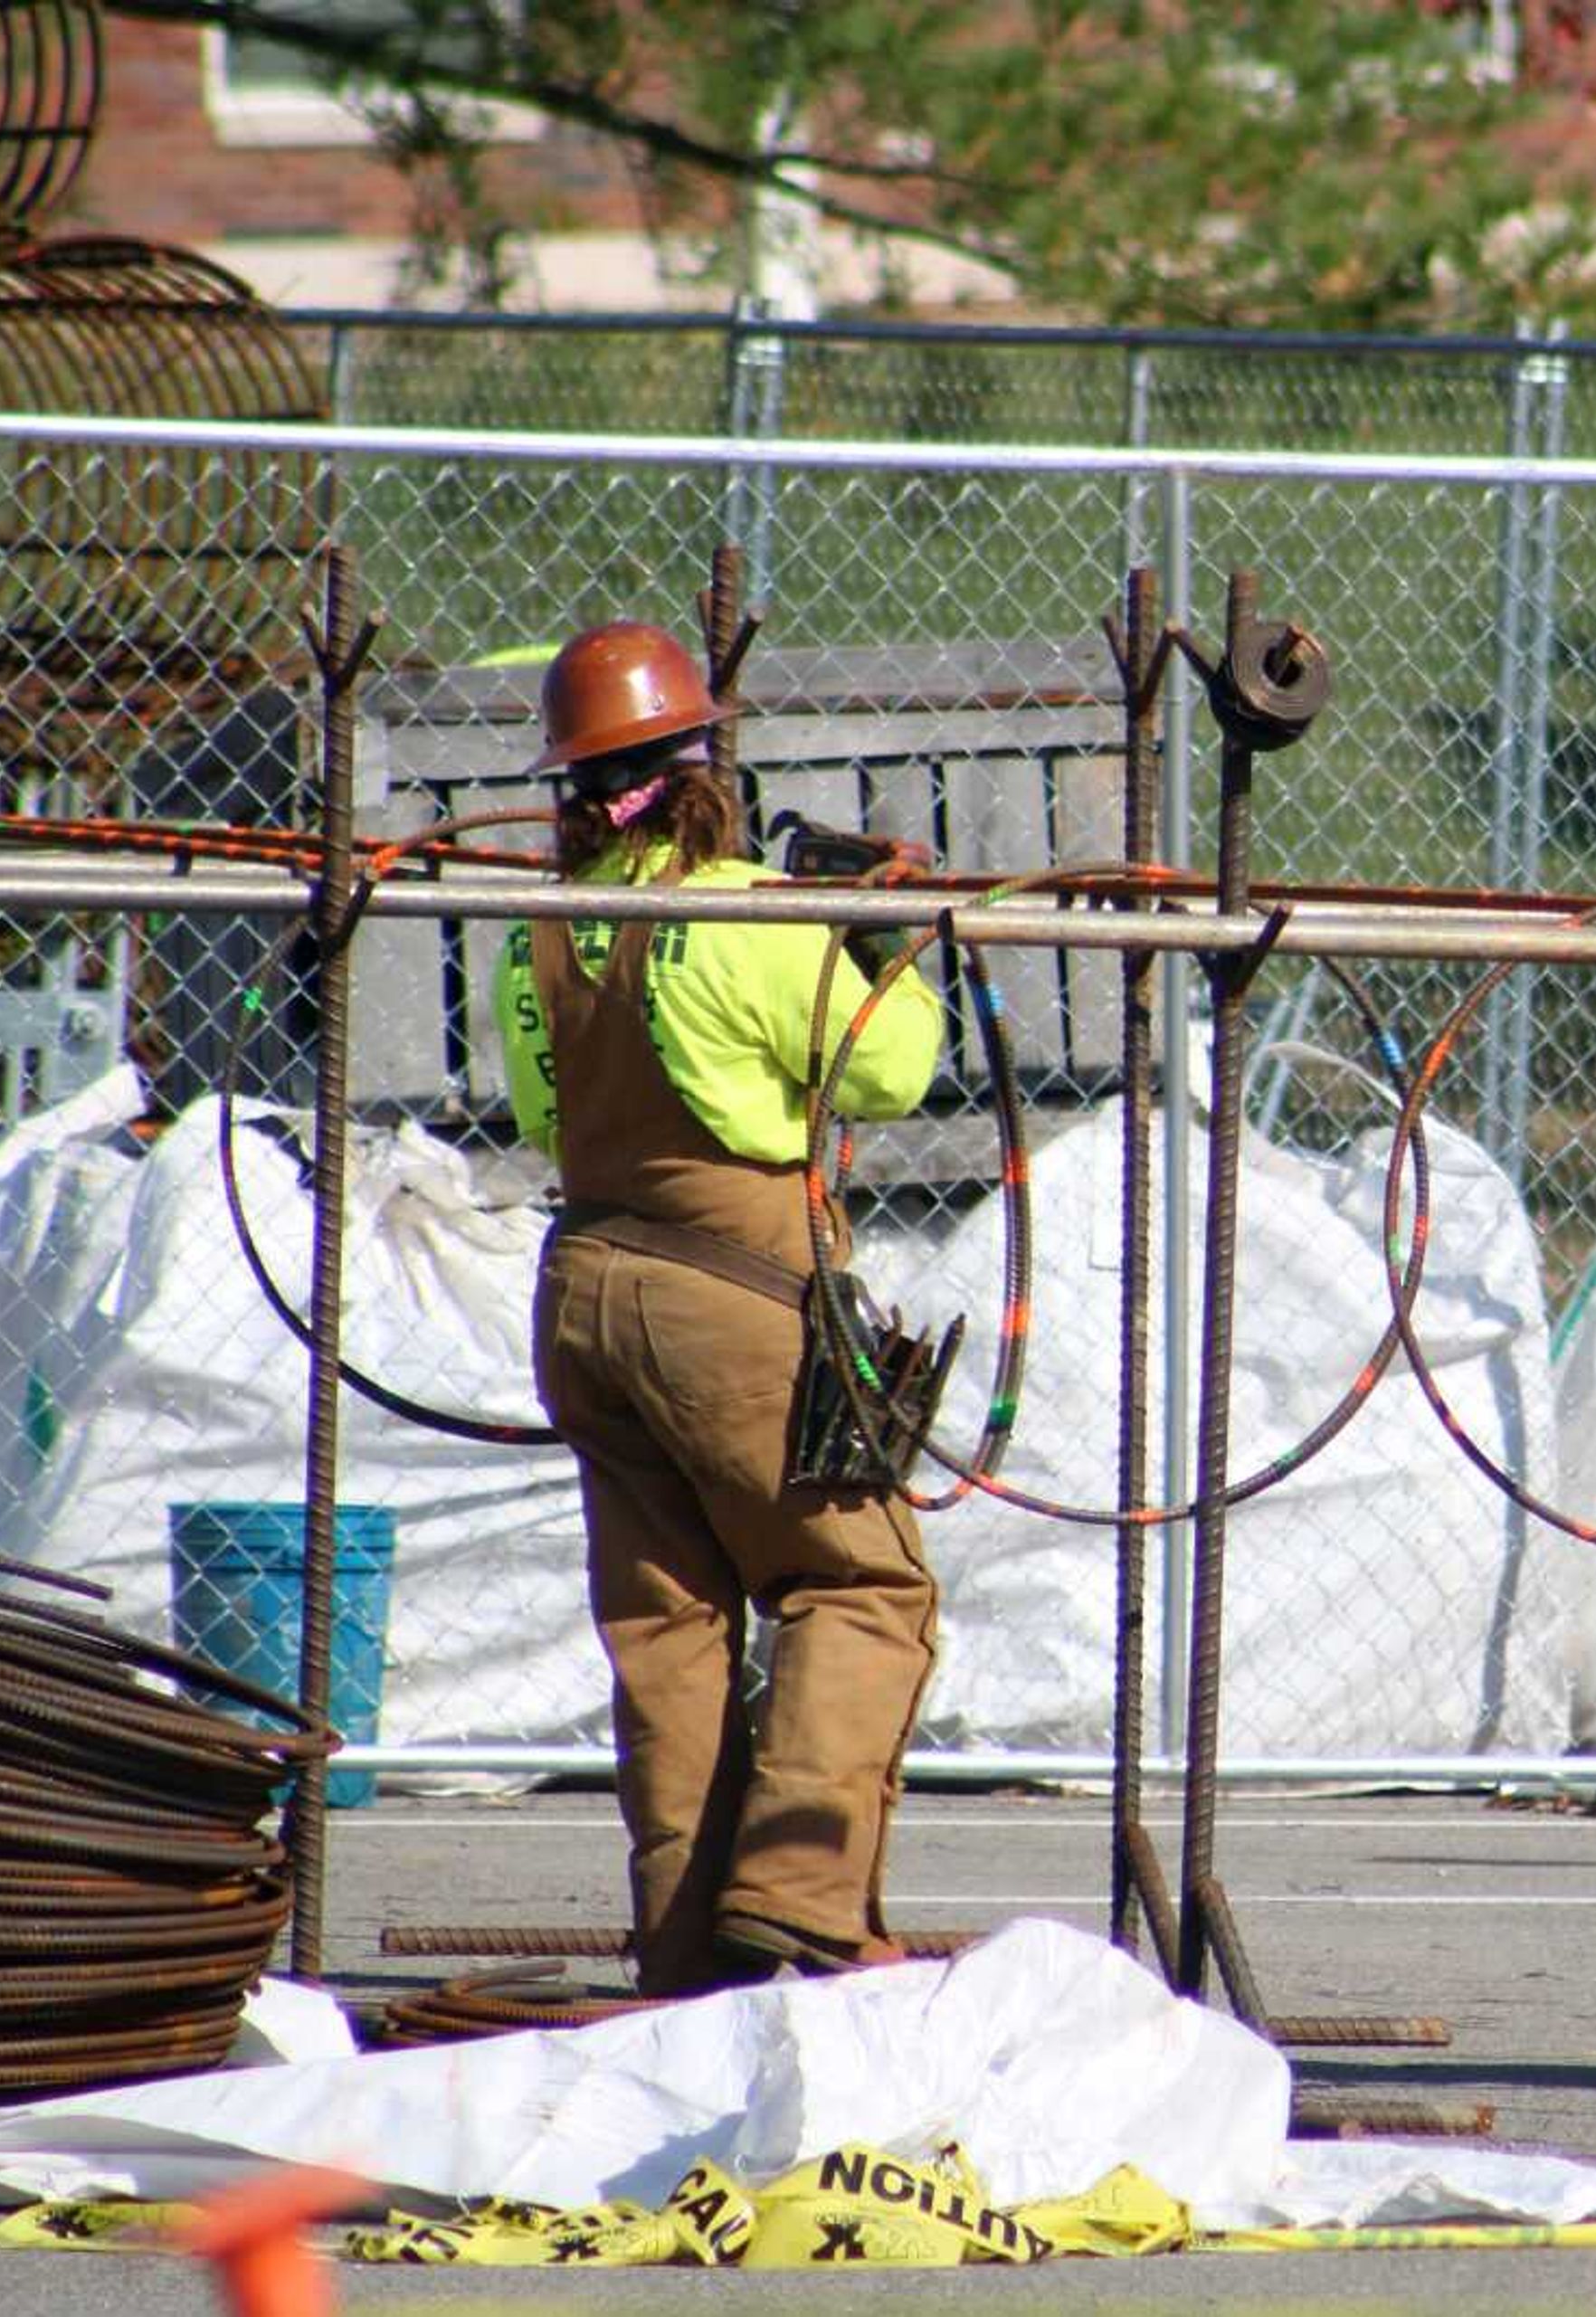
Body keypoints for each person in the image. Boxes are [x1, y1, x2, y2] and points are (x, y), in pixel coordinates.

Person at [497, 620, 946, 1997]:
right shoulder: (754, 907)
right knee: (859, 1582)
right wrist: (879, 949)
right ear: (703, 763)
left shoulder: (547, 937)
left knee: (671, 1626)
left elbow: (535, 1112)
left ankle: (688, 1951)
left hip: (581, 1296)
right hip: (729, 1299)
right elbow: (896, 1076)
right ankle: (803, 1894)